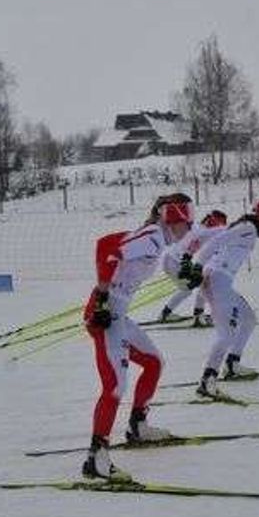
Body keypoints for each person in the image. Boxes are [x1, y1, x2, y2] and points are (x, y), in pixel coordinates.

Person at [83, 199, 200, 481]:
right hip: (106, 315)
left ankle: (138, 425)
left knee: (153, 362)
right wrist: (101, 296)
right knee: (114, 387)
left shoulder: (158, 239)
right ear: (176, 219)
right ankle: (96, 457)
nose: (191, 227)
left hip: (118, 316)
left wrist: (189, 277)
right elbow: (106, 247)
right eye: (188, 222)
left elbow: (170, 266)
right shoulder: (152, 237)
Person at [195, 198, 259, 397]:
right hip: (216, 281)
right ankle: (207, 380)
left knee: (249, 319)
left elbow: (220, 243)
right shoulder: (248, 227)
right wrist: (199, 267)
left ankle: (232, 364)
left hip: (220, 281)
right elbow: (217, 241)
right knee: (227, 334)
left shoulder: (248, 228)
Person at [158, 209, 227, 326]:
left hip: (170, 259)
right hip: (175, 261)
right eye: (220, 224)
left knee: (188, 289)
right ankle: (198, 315)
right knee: (203, 284)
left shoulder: (199, 228)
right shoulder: (205, 232)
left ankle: (166, 313)